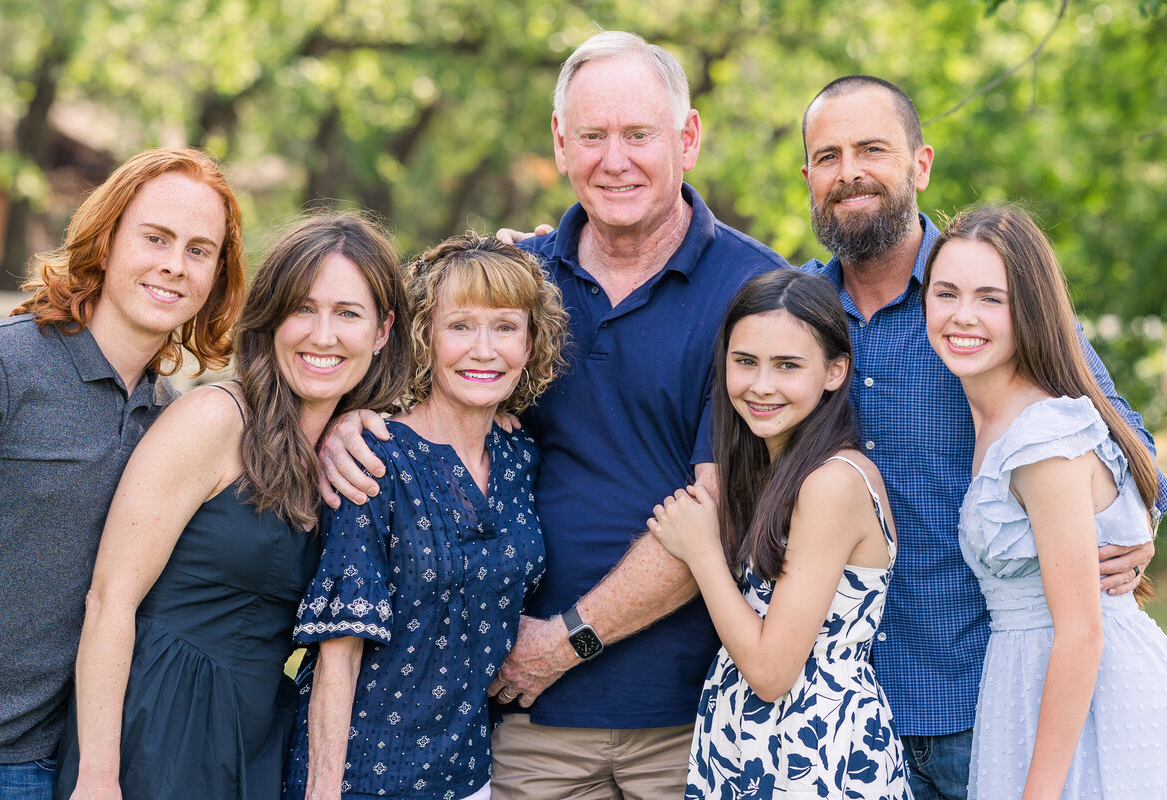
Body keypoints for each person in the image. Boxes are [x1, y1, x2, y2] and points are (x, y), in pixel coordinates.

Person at [316, 31, 790, 798]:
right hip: (521, 726)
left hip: (688, 716)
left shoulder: (757, 292)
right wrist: (349, 421)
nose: (616, 159)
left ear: (688, 138)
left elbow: (723, 509)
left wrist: (565, 643)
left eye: (639, 135)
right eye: (593, 137)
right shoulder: (514, 288)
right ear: (560, 145)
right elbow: (413, 382)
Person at [798, 75, 1167, 799]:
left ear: (920, 163)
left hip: (988, 706)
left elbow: (1125, 445)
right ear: (809, 175)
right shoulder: (796, 317)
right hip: (847, 715)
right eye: (829, 155)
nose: (850, 172)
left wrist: (1133, 531)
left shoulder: (990, 293)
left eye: (872, 148)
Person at [54, 213, 409, 800]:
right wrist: (97, 775)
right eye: (302, 308)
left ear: (381, 331)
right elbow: (109, 600)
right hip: (156, 724)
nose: (323, 336)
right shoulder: (215, 419)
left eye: (347, 313)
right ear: (270, 320)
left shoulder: (348, 451)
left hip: (258, 733)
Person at [0, 148, 245, 800]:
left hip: (35, 769)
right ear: (107, 239)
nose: (175, 264)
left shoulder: (172, 425)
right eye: (156, 238)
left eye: (200, 250)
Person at [283, 235, 568, 800]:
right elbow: (337, 655)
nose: (483, 350)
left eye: (505, 327)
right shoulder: (376, 458)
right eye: (460, 325)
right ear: (424, 337)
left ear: (532, 342)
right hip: (364, 777)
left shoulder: (520, 457)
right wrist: (322, 791)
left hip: (471, 774)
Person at [922, 205, 1167, 798]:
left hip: (1086, 696)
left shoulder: (1040, 439)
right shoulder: (998, 414)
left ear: (1029, 310)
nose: (962, 316)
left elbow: (1081, 631)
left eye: (990, 298)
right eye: (945, 293)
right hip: (1026, 681)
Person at [649, 269, 911, 799]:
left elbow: (771, 672)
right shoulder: (778, 470)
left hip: (815, 755)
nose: (761, 385)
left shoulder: (831, 483)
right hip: (758, 745)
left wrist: (702, 552)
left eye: (787, 366)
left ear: (835, 372)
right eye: (745, 362)